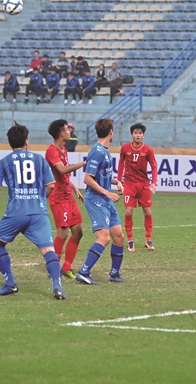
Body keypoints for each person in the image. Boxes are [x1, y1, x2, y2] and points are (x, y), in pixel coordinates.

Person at [0, 123, 67, 299]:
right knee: (48, 249)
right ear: (26, 142)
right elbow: (51, 185)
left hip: (15, 213)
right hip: (38, 213)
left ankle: (10, 284)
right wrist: (40, 199)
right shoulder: (39, 159)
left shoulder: (4, 162)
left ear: (10, 143)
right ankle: (57, 287)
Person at [75, 118, 126, 285]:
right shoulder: (97, 151)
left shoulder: (104, 151)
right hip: (96, 199)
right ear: (111, 132)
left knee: (118, 236)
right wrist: (107, 193)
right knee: (104, 238)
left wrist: (115, 182)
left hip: (105, 199)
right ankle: (83, 272)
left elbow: (101, 176)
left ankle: (114, 274)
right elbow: (88, 179)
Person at [46, 119, 88, 279]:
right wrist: (83, 163)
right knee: (62, 234)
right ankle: (53, 268)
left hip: (68, 196)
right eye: (67, 130)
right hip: (58, 198)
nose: (69, 132)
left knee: (78, 232)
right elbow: (62, 170)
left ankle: (67, 267)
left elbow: (62, 176)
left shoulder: (63, 149)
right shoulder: (52, 151)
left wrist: (74, 187)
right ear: (60, 133)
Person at [118, 123, 158, 252]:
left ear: (143, 135)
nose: (138, 135)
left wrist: (153, 182)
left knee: (147, 211)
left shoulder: (148, 150)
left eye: (140, 133)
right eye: (136, 133)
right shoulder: (125, 148)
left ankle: (148, 239)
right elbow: (120, 164)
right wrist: (119, 181)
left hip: (143, 184)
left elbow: (154, 166)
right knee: (128, 211)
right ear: (132, 135)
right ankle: (130, 240)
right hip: (129, 184)